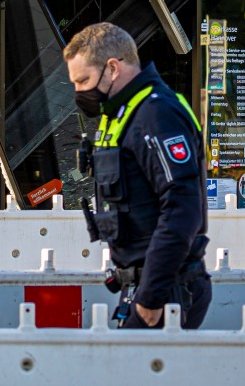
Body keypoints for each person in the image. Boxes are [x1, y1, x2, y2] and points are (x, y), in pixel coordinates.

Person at [64, 22, 211, 329]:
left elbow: (183, 208)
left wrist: (150, 298)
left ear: (113, 68)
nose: (79, 92)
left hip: (165, 291)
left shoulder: (156, 114)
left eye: (83, 80)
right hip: (146, 288)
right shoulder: (126, 112)